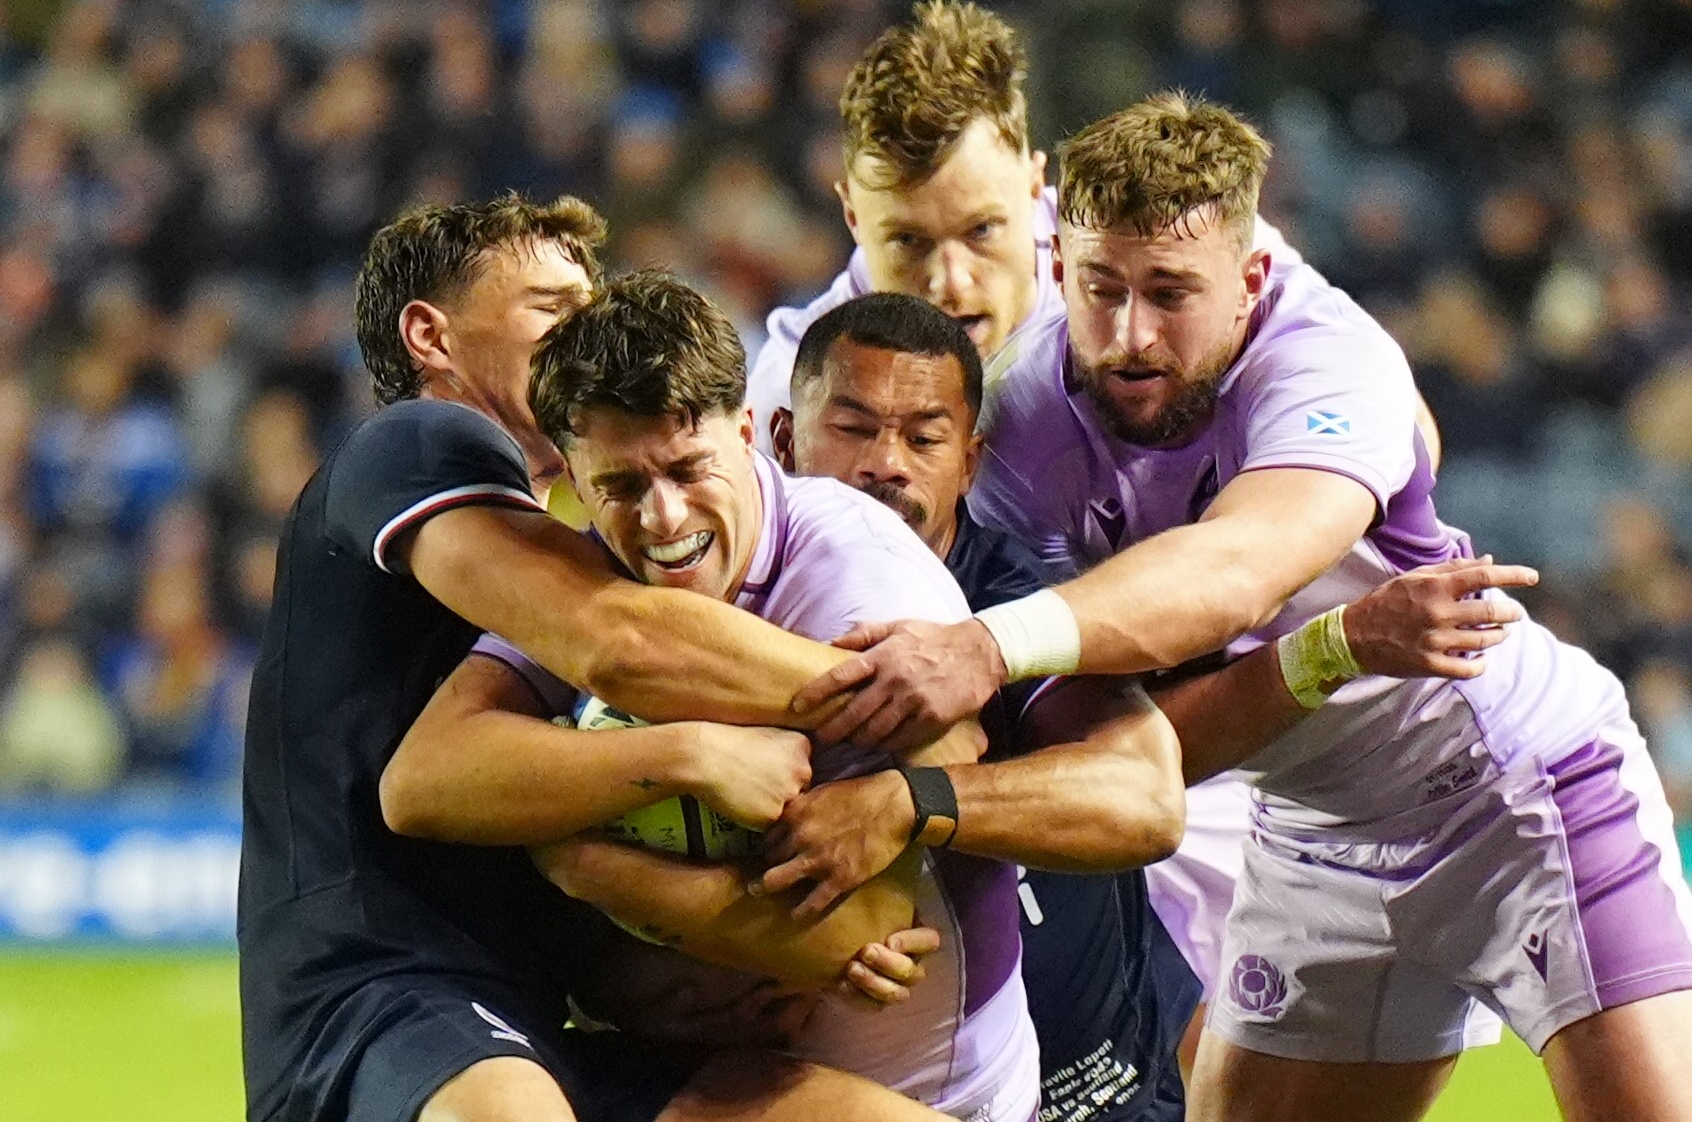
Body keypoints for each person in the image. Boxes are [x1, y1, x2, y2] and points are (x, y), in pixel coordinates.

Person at [843, 94, 1692, 1122]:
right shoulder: (1019, 424)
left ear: (1250, 280)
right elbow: (1133, 751)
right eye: (1101, 290)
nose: (1131, 336)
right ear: (1060, 272)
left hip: (1514, 790)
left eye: (1170, 293)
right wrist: (1337, 646)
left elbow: (1232, 573)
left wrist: (986, 645)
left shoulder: (1328, 361)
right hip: (1308, 834)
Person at [748, 0, 1467, 1013]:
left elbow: (1397, 422)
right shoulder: (806, 392)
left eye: (984, 231)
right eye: (906, 245)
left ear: (1036, 194)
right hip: (989, 763)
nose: (951, 283)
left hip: (1212, 742)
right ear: (849, 213)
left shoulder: (1124, 255)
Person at [238, 194, 949, 1122]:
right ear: (431, 333)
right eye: (551, 306)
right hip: (381, 993)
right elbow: (621, 645)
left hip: (529, 1011)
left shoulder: (566, 533)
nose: (586, 324)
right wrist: (912, 690)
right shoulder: (414, 442)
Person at [393, 270, 1057, 1122]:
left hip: (937, 1099)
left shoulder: (859, 583)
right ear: (571, 481)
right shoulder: (588, 577)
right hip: (743, 1085)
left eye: (689, 467)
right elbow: (421, 781)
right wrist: (682, 756)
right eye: (622, 486)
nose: (665, 520)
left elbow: (868, 937)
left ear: (748, 434)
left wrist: (585, 861)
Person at [767, 291, 1198, 1120]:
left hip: (1089, 1099)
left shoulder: (1016, 605)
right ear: (786, 438)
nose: (886, 462)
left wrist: (912, 805)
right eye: (854, 427)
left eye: (924, 438)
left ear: (969, 461)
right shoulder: (737, 588)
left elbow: (1146, 797)